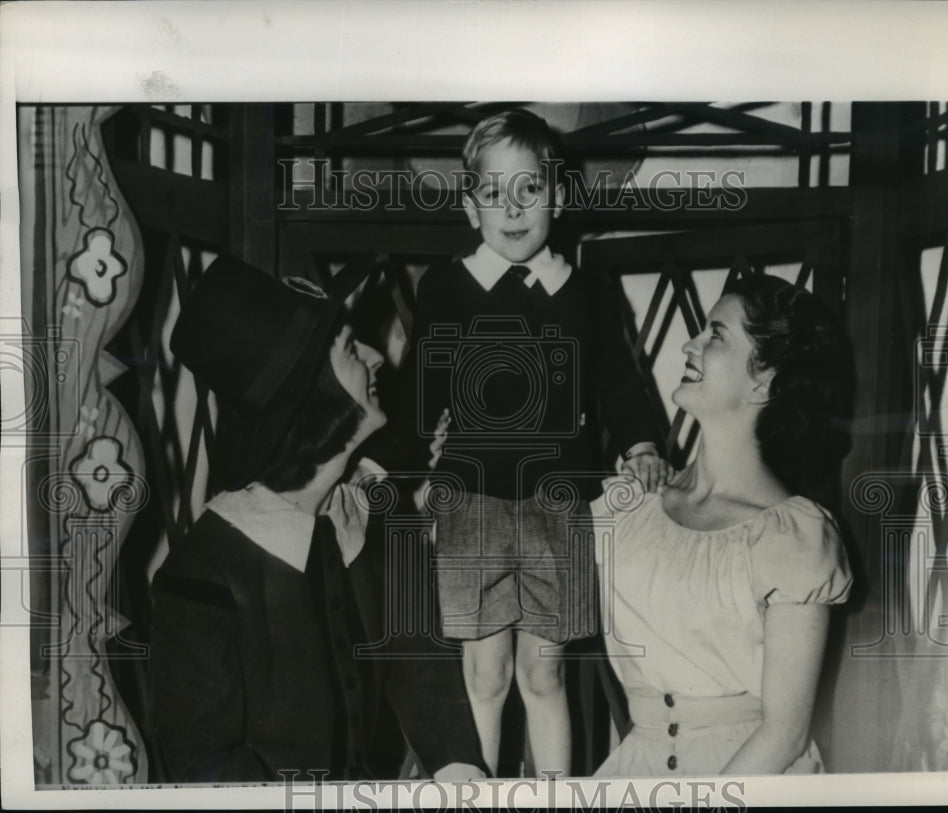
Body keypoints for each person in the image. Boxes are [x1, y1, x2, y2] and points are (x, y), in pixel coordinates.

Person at [380, 109, 668, 777]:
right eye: (492, 192)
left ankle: (554, 792)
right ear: (468, 204)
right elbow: (419, 399)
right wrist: (382, 462)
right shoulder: (447, 288)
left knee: (545, 674)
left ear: (558, 195)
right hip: (471, 504)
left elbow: (619, 382)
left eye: (529, 189)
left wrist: (642, 442)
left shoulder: (589, 294)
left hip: (557, 503)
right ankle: (475, 789)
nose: (512, 207)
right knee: (484, 674)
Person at [149, 256, 486, 782]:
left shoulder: (379, 513)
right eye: (352, 348)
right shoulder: (202, 572)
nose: (378, 356)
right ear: (308, 394)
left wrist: (460, 774)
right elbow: (202, 763)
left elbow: (421, 671)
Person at [592, 274, 854, 776]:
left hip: (749, 780)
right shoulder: (632, 508)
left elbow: (786, 734)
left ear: (765, 380)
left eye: (716, 334)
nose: (691, 344)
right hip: (635, 769)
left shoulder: (791, 539)